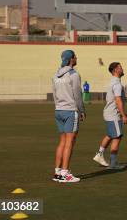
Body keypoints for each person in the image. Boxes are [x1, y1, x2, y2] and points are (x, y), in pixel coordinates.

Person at [52, 50, 85, 183]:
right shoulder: (74, 74)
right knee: (70, 142)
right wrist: (82, 110)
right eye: (75, 56)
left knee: (62, 141)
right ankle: (65, 173)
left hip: (58, 110)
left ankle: (57, 172)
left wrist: (58, 106)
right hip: (70, 110)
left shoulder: (56, 74)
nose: (77, 58)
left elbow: (54, 94)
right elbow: (77, 94)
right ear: (71, 59)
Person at [93, 62, 127, 169]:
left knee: (110, 135)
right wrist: (123, 115)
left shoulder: (113, 82)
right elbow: (118, 100)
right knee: (117, 137)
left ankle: (99, 154)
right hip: (113, 114)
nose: (122, 69)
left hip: (109, 113)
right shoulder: (117, 84)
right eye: (120, 67)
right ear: (115, 70)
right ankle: (113, 163)